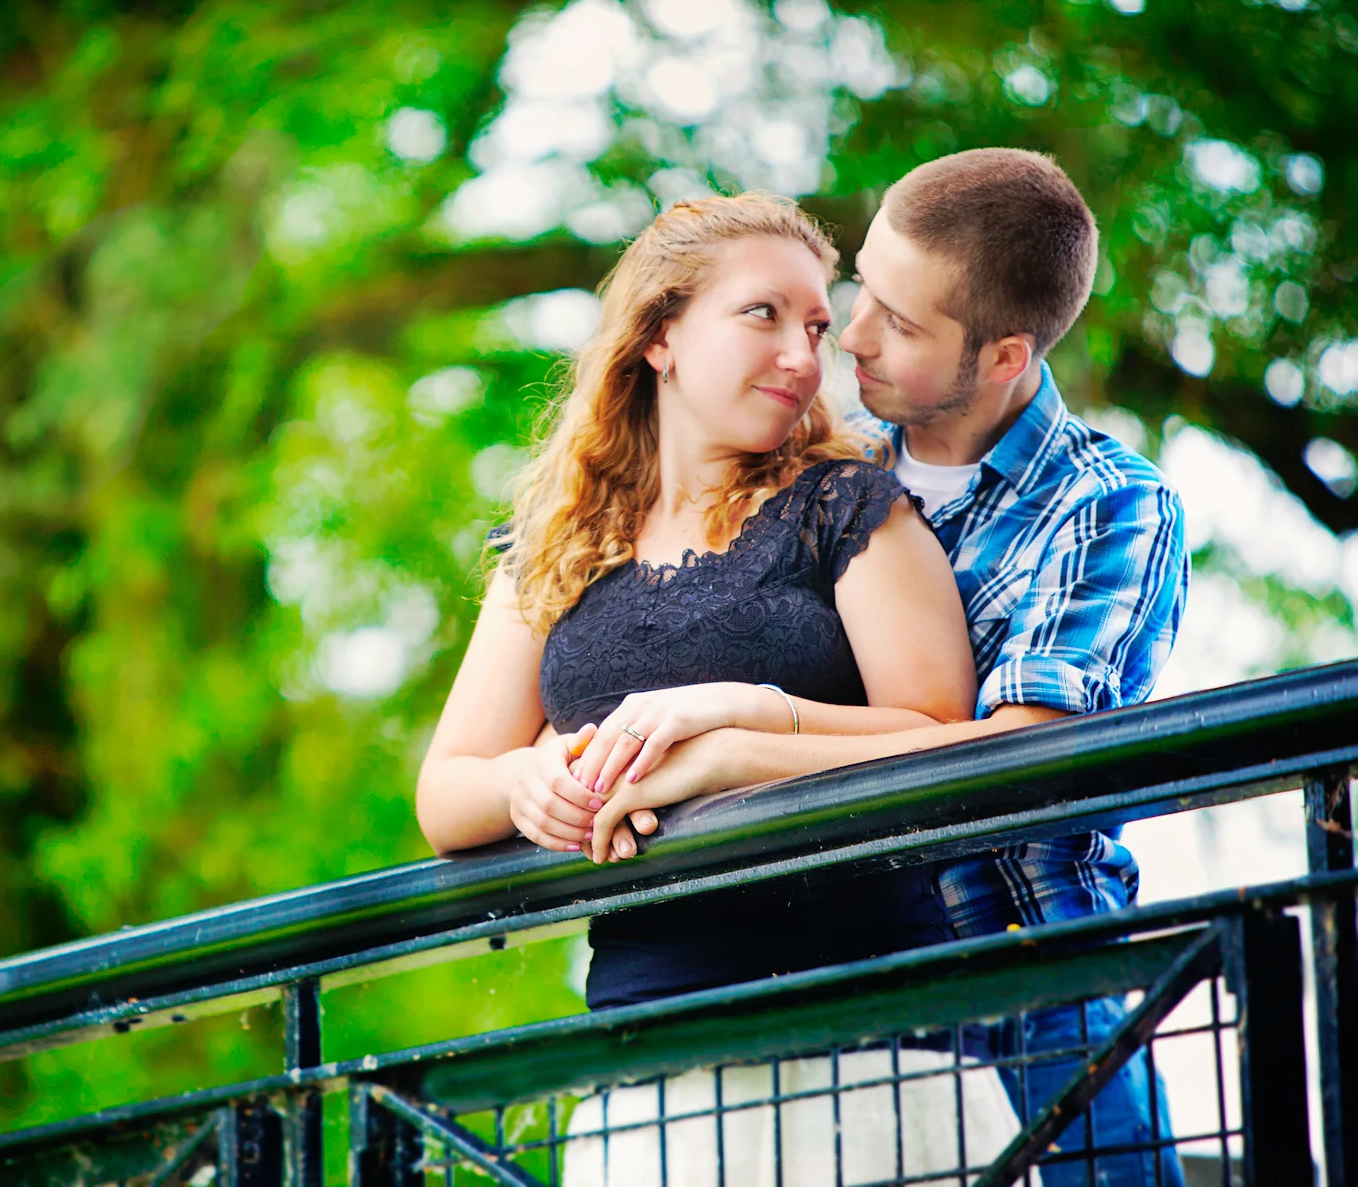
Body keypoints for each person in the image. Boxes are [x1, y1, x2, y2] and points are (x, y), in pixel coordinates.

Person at [578, 149, 1190, 1187]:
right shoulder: (814, 456)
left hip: (1031, 971)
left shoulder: (1107, 508)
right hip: (838, 981)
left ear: (1002, 357)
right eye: (863, 291)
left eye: (900, 326)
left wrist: (744, 735)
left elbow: (1019, 763)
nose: (847, 338)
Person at [416, 190, 1025, 1182]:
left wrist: (746, 735)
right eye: (763, 315)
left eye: (818, 326)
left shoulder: (849, 505)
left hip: (876, 1049)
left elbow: (949, 743)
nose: (802, 354)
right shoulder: (552, 544)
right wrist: (527, 781)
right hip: (653, 1070)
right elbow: (447, 794)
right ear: (660, 335)